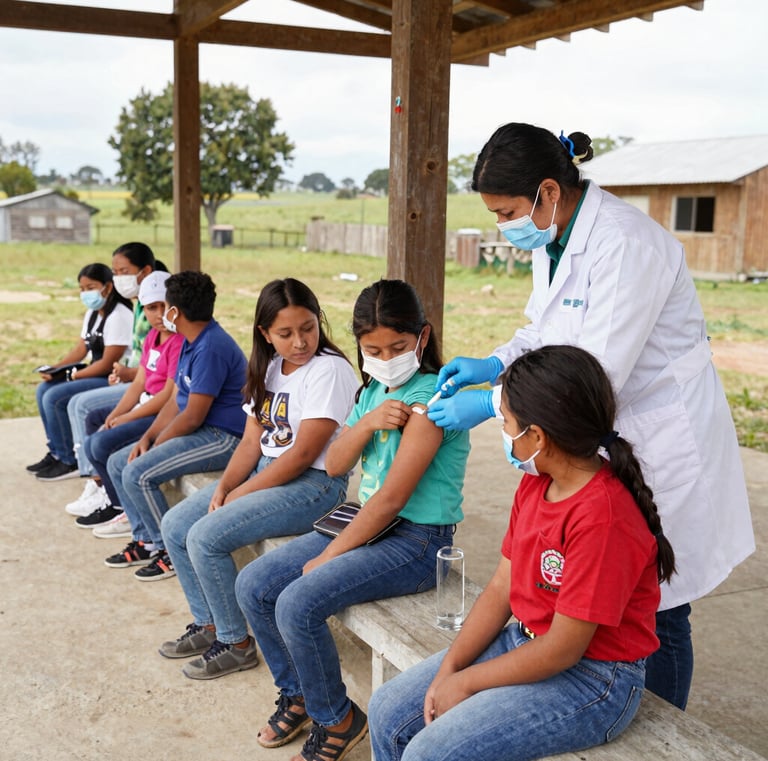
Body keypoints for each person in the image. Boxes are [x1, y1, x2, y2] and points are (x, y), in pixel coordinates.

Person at [426, 122, 755, 710]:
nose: (504, 227)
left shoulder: (627, 245)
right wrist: (494, 362)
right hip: (604, 426)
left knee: (659, 604)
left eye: (506, 212)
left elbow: (591, 375)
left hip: (660, 435)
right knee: (612, 598)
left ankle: (665, 736)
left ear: (549, 192)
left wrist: (492, 403)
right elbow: (544, 332)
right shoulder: (555, 238)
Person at [369, 344, 676, 761]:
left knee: (432, 753)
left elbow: (564, 649)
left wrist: (469, 682)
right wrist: (451, 667)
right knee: (387, 710)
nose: (504, 432)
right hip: (527, 640)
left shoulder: (603, 517)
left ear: (537, 436)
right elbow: (501, 587)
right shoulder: (538, 481)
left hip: (595, 678)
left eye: (506, 422)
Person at [234, 279, 470, 761]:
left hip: (417, 541)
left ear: (422, 338)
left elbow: (392, 499)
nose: (386, 357)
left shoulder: (434, 399)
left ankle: (337, 720)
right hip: (363, 521)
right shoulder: (373, 392)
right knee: (255, 586)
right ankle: (301, 694)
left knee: (297, 602)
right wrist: (366, 422)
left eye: (399, 347)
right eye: (373, 348)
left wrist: (327, 555)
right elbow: (338, 463)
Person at [159, 278, 359, 681]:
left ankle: (235, 643)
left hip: (312, 486)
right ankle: (210, 622)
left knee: (205, 537)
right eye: (285, 334)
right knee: (176, 525)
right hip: (263, 472)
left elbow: (303, 454)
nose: (300, 342)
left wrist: (241, 492)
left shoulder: (330, 370)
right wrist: (224, 486)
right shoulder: (267, 367)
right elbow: (252, 442)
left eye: (308, 328)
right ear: (265, 333)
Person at [104, 271, 247, 581]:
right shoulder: (189, 340)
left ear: (175, 312)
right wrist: (149, 436)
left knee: (137, 473)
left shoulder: (210, 346)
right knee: (119, 462)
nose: (159, 312)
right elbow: (175, 400)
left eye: (164, 305)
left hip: (225, 436)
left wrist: (158, 445)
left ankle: (167, 550)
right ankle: (146, 540)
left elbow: (193, 415)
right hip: (202, 429)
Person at [72, 271, 183, 535]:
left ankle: (121, 507)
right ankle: (111, 497)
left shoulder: (178, 342)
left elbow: (167, 396)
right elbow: (138, 384)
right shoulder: (152, 339)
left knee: (99, 444)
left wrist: (128, 418)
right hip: (144, 402)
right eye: (151, 308)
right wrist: (118, 413)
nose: (159, 314)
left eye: (164, 306)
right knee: (96, 420)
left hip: (160, 411)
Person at [65, 241, 167, 516]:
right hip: (135, 386)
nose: (118, 278)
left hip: (150, 398)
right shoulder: (140, 312)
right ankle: (96, 484)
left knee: (85, 410)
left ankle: (107, 494)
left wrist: (127, 413)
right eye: (115, 271)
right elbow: (142, 374)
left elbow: (167, 391)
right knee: (90, 415)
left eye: (123, 271)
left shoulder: (171, 334)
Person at [27, 262, 133, 481]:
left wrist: (70, 376)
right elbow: (81, 348)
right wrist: (56, 369)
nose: (86, 293)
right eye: (82, 289)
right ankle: (56, 450)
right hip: (95, 372)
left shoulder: (120, 315)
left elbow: (106, 363)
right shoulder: (94, 313)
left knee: (55, 397)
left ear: (107, 287)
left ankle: (69, 460)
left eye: (91, 287)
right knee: (43, 389)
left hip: (113, 378)